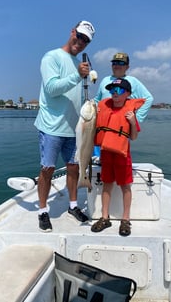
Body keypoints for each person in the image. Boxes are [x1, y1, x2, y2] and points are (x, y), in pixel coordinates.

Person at [34, 20, 96, 232]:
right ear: (72, 32)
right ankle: (43, 211)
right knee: (47, 169)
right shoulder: (51, 57)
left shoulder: (79, 63)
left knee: (74, 169)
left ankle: (72, 206)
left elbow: (76, 96)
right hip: (51, 126)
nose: (81, 42)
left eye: (86, 40)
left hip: (74, 128)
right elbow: (52, 89)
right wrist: (77, 75)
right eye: (79, 36)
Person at [91, 78, 145, 236]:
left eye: (119, 90)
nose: (115, 93)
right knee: (106, 184)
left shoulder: (130, 112)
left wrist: (133, 122)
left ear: (127, 94)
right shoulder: (103, 108)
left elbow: (133, 137)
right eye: (112, 90)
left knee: (125, 186)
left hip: (122, 155)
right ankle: (104, 217)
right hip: (106, 154)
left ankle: (125, 219)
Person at [94, 52, 153, 123]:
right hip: (103, 122)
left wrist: (137, 118)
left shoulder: (133, 81)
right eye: (114, 63)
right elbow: (97, 100)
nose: (117, 65)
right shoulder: (105, 80)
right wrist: (94, 108)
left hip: (123, 124)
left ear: (127, 67)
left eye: (121, 63)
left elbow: (149, 99)